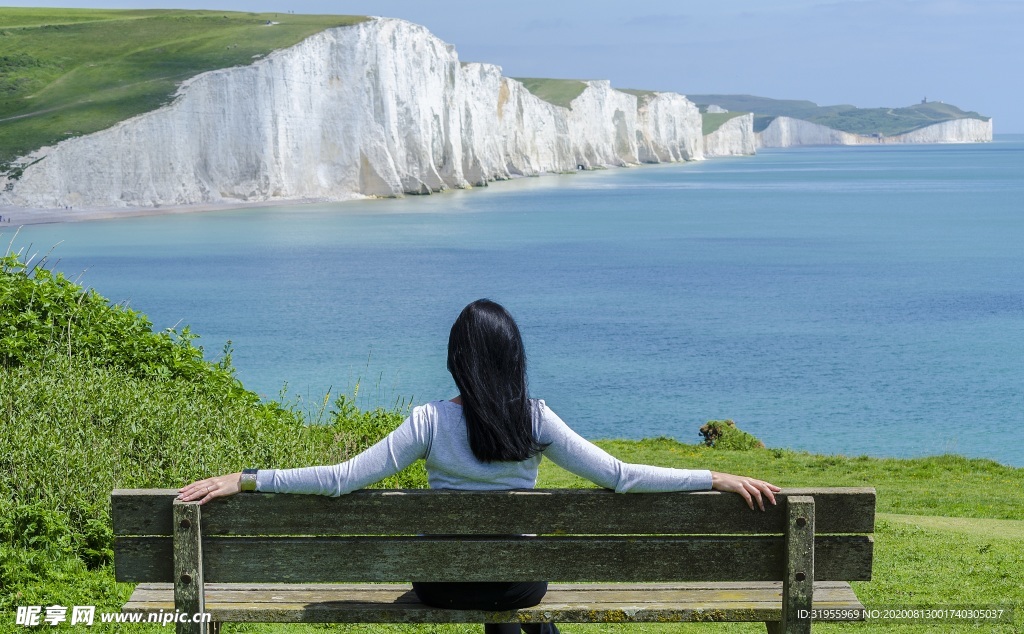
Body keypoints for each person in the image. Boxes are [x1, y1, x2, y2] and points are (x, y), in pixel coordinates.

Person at [179, 299, 780, 634]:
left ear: (456, 360)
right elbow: (621, 476)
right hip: (519, 582)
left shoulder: (428, 422)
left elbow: (340, 480)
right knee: (513, 606)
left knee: (481, 596)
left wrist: (246, 478)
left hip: (439, 583)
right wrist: (715, 476)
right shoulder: (536, 419)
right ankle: (523, 633)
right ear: (514, 357)